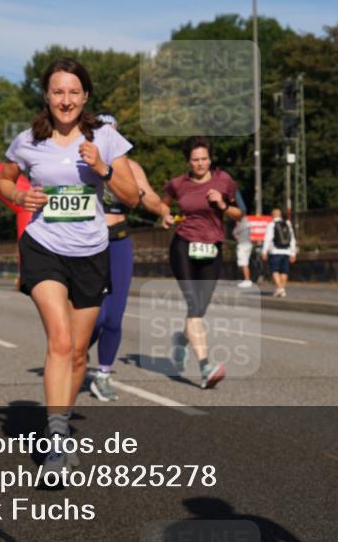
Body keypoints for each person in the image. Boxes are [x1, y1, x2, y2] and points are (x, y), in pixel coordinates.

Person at [0, 59, 138, 470]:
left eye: (74, 92)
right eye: (58, 91)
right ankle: (56, 438)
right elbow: (3, 180)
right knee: (59, 341)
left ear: (86, 97)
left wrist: (102, 168)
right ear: (47, 95)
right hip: (43, 247)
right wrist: (20, 197)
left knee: (78, 353)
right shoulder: (28, 141)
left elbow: (130, 196)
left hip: (92, 251)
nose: (66, 100)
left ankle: (58, 425)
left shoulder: (106, 137)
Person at [87, 114, 164, 402]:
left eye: (112, 131)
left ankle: (103, 374)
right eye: (101, 131)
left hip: (118, 241)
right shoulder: (83, 163)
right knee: (93, 317)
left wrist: (163, 211)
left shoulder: (131, 167)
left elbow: (151, 198)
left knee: (114, 317)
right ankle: (76, 354)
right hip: (88, 244)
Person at [158, 136, 242, 389]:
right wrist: (165, 216)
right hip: (183, 245)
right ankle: (206, 366)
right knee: (193, 305)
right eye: (195, 159)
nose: (200, 163)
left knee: (200, 309)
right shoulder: (178, 184)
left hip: (212, 247)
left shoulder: (223, 180)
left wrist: (222, 204)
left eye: (204, 158)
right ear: (188, 161)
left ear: (210, 159)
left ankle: (181, 341)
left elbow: (240, 213)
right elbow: (164, 203)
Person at [261, 207, 297, 297]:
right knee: (284, 271)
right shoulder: (287, 224)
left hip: (275, 251)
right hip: (287, 251)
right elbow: (292, 239)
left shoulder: (272, 224)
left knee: (275, 270)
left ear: (272, 216)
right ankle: (282, 289)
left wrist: (264, 251)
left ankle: (280, 288)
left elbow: (267, 239)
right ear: (280, 215)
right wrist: (293, 253)